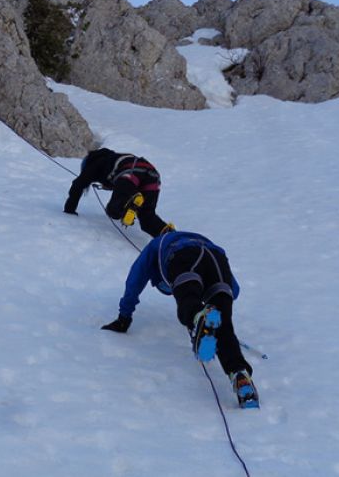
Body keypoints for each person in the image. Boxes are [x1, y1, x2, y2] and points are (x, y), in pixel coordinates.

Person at [101, 229, 259, 408]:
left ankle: (198, 315)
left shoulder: (156, 246)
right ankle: (239, 373)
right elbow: (234, 290)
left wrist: (124, 317)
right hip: (217, 259)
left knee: (188, 301)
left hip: (183, 256)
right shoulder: (194, 240)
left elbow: (134, 281)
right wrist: (218, 304)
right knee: (224, 326)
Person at [64, 147, 172, 237]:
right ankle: (172, 238)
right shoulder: (114, 158)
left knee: (113, 210)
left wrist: (69, 209)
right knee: (147, 219)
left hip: (130, 173)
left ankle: (131, 199)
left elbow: (78, 184)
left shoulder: (96, 163)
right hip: (153, 176)